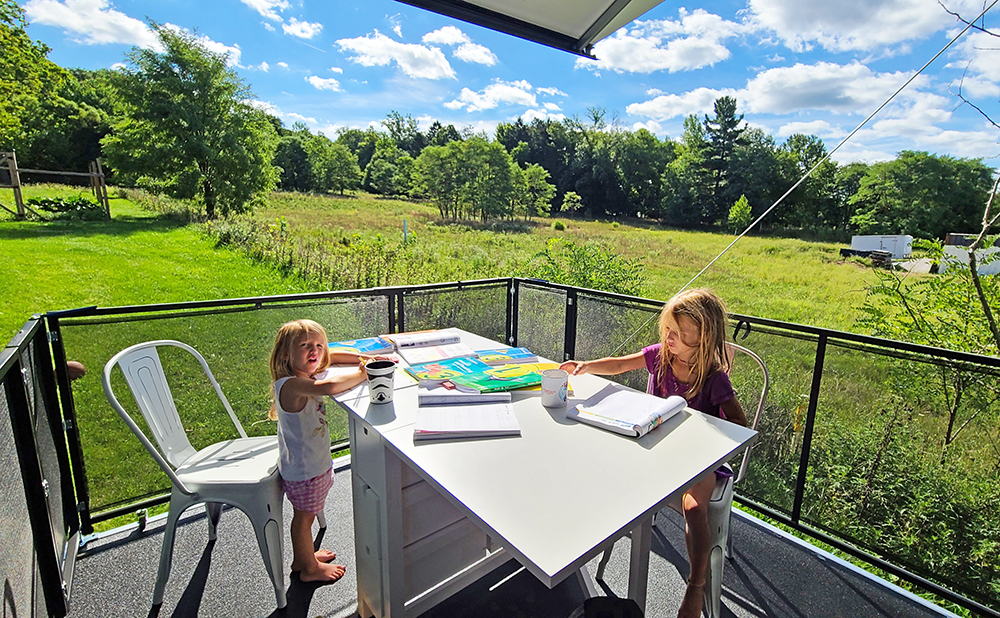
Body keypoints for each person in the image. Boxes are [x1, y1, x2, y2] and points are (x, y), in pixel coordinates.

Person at [560, 288, 747, 618]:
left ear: (702, 337)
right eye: (668, 331)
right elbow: (620, 364)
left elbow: (739, 423)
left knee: (693, 506)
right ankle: (577, 545)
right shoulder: (662, 356)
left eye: (679, 334)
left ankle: (695, 585)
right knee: (605, 468)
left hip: (699, 459)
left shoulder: (713, 377)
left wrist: (702, 429)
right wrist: (586, 366)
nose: (669, 338)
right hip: (657, 448)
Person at [269, 319, 370, 583]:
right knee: (303, 520)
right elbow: (329, 387)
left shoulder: (302, 372)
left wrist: (365, 358)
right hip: (305, 470)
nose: (314, 352)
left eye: (317, 345)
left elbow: (331, 355)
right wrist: (363, 373)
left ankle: (303, 559)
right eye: (305, 346)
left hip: (310, 464)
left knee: (308, 514)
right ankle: (309, 570)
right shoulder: (291, 385)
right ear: (286, 355)